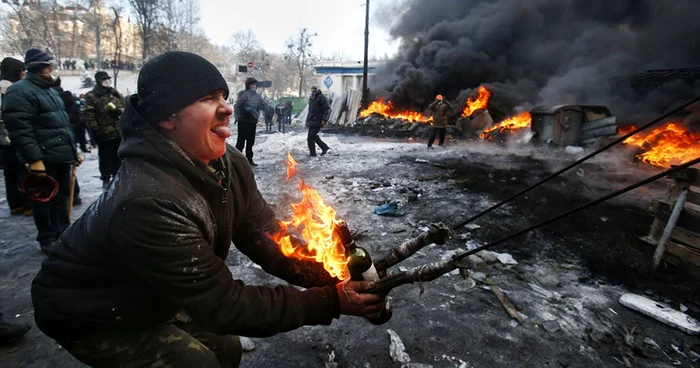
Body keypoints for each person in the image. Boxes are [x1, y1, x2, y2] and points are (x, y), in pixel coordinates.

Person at [30, 51, 385, 368]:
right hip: (94, 312)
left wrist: (336, 274)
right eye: (207, 98)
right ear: (167, 117)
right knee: (196, 362)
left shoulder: (228, 161)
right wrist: (331, 303)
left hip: (154, 290)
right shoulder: (146, 202)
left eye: (223, 96)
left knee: (226, 349)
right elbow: (224, 304)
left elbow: (268, 238)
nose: (227, 108)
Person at [2, 49, 79, 254]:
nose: (52, 69)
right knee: (44, 198)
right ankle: (47, 237)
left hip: (60, 154)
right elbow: (20, 129)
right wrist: (34, 158)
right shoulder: (20, 91)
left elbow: (62, 125)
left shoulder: (50, 91)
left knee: (62, 196)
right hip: (43, 157)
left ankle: (63, 232)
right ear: (38, 68)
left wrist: (73, 151)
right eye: (48, 66)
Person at [0, 57, 32, 216]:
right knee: (23, 171)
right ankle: (27, 204)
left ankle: (15, 204)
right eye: (21, 71)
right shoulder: (12, 89)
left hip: (3, 140)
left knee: (9, 172)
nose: (23, 74)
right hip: (14, 137)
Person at [84, 71, 124, 189]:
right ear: (98, 81)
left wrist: (118, 111)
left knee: (119, 158)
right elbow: (89, 114)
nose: (106, 81)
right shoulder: (92, 96)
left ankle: (119, 181)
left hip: (118, 132)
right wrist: (95, 130)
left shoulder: (115, 94)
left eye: (107, 79)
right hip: (104, 134)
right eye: (103, 79)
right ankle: (106, 180)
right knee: (105, 158)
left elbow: (124, 107)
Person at [51, 77, 83, 205]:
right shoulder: (62, 96)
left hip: (61, 141)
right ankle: (72, 195)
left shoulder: (63, 97)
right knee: (65, 174)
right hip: (63, 141)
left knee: (63, 174)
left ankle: (72, 196)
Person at [234, 77, 266, 166]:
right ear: (247, 85)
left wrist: (268, 109)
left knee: (250, 141)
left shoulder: (257, 96)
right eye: (251, 84)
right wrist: (239, 116)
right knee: (241, 141)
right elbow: (238, 106)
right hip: (243, 121)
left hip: (252, 121)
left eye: (254, 85)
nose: (253, 86)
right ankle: (237, 160)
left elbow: (262, 105)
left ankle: (249, 159)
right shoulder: (242, 94)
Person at [306, 85, 330, 157]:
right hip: (311, 120)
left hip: (317, 120)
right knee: (312, 137)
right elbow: (311, 110)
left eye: (314, 88)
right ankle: (323, 148)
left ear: (317, 89)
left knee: (310, 137)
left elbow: (327, 109)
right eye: (312, 88)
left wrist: (324, 119)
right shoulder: (312, 98)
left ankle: (315, 152)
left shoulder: (321, 97)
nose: (313, 90)